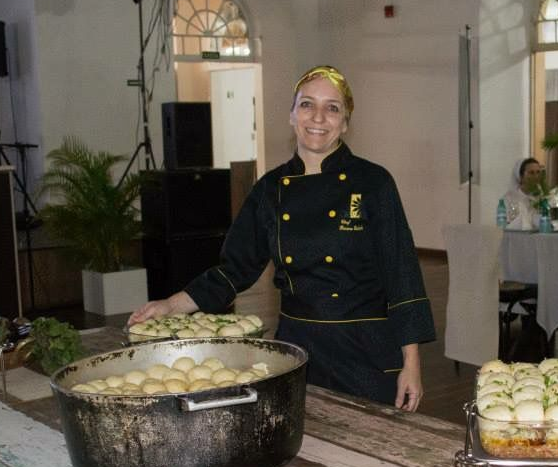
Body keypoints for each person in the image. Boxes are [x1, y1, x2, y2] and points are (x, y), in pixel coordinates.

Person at [129, 66, 435, 410]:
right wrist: (171, 305)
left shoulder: (374, 183)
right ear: (292, 115)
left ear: (345, 122)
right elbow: (234, 269)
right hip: (298, 347)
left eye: (332, 108)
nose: (318, 117)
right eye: (307, 104)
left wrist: (412, 364)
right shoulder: (269, 190)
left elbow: (402, 275)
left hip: (365, 348)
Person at [502, 158, 543, 227]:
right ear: (521, 176)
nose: (536, 176)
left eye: (538, 172)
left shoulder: (542, 197)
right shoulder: (509, 199)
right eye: (531, 173)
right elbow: (505, 225)